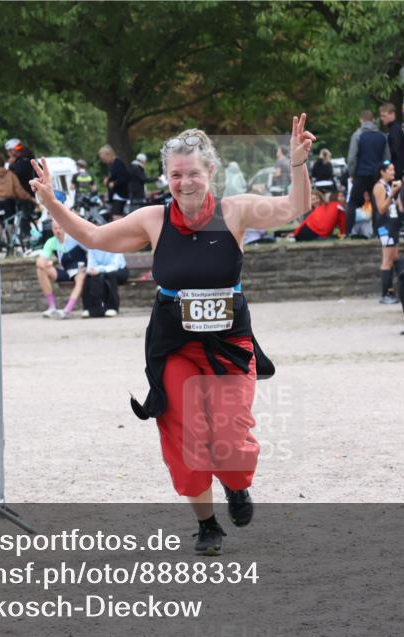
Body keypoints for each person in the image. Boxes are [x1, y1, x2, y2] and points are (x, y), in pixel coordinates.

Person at [27, 115, 314, 555]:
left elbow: (294, 208)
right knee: (183, 433)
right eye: (176, 175)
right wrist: (51, 202)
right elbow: (95, 236)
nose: (184, 183)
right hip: (174, 345)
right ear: (167, 177)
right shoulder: (153, 220)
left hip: (229, 344)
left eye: (193, 173)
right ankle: (207, 525)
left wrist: (297, 164)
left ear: (211, 172)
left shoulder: (233, 211)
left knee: (228, 434)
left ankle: (236, 485)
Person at [346, 110, 390, 238]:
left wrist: (352, 173)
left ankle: (348, 231)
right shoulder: (382, 136)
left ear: (361, 120)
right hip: (376, 175)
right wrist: (383, 173)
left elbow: (352, 158)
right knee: (377, 204)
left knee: (352, 203)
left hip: (361, 173)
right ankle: (377, 232)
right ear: (373, 120)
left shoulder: (358, 135)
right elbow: (387, 157)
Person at [0, 152, 34, 251]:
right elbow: (19, 191)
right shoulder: (10, 175)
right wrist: (31, 199)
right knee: (10, 229)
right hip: (8, 204)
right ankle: (10, 250)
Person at [35, 220, 87, 319]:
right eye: (55, 228)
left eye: (60, 228)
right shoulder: (51, 242)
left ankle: (67, 310)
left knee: (80, 277)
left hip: (80, 270)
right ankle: (52, 307)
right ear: (52, 230)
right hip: (66, 272)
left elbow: (92, 250)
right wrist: (45, 263)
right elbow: (40, 261)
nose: (58, 231)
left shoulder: (75, 238)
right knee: (41, 270)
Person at [372, 160, 402, 303]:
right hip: (385, 226)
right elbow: (381, 208)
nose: (393, 172)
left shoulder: (389, 186)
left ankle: (396, 289)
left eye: (393, 169)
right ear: (382, 172)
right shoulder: (379, 187)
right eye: (390, 170)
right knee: (387, 260)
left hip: (393, 225)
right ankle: (385, 294)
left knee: (395, 258)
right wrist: (392, 194)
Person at [82, 247, 129, 318]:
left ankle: (112, 307)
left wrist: (99, 269)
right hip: (100, 272)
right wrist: (92, 271)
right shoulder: (91, 247)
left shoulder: (115, 244)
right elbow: (91, 266)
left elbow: (114, 266)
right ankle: (90, 308)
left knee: (109, 275)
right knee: (88, 277)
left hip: (120, 270)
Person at [99, 144, 130, 219]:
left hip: (120, 194)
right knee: (115, 215)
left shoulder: (118, 163)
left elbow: (125, 177)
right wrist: (108, 180)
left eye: (104, 159)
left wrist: (114, 183)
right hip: (116, 195)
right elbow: (115, 176)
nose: (104, 161)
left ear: (108, 155)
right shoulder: (113, 165)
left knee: (116, 216)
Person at [379, 102, 404, 180]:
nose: (382, 118)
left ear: (392, 114)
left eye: (384, 116)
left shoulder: (394, 130)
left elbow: (394, 151)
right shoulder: (396, 128)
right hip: (398, 169)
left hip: (396, 171)